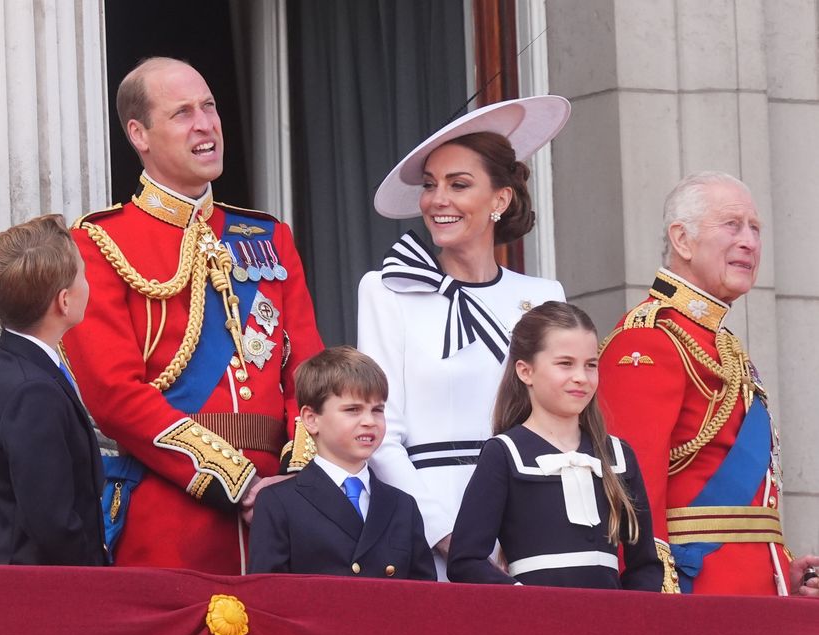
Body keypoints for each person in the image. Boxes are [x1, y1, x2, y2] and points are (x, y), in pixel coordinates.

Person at [60, 57, 323, 573]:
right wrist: (238, 480)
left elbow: (310, 373)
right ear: (139, 133)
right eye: (183, 113)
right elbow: (113, 394)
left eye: (209, 107)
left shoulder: (269, 237)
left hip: (285, 513)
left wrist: (296, 479)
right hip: (170, 512)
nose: (205, 124)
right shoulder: (98, 243)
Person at [358, 96, 570, 578]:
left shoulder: (543, 296)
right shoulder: (387, 289)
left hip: (530, 522)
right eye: (431, 186)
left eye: (459, 185)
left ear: (500, 198)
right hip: (426, 530)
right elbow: (380, 431)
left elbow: (559, 424)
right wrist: (450, 536)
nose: (438, 200)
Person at [598, 171, 819, 596]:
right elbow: (630, 493)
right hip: (695, 597)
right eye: (732, 225)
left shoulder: (724, 346)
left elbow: (744, 510)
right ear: (682, 239)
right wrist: (654, 600)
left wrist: (782, 573)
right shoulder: (648, 340)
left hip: (754, 597)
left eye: (755, 229)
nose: (750, 242)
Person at [446, 302, 661, 589]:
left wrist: (631, 619)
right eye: (565, 364)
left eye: (591, 365)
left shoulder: (618, 456)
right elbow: (465, 561)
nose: (581, 378)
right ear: (525, 371)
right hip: (535, 625)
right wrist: (522, 602)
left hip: (611, 626)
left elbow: (644, 564)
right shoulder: (504, 453)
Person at [0, 214, 106, 566]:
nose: (87, 283)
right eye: (83, 274)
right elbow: (53, 523)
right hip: (42, 597)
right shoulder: (33, 393)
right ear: (63, 302)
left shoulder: (6, 365)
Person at [247, 346, 436, 580]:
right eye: (353, 410)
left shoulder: (403, 506)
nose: (369, 421)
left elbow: (425, 598)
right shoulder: (278, 502)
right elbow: (268, 596)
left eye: (377, 410)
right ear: (311, 419)